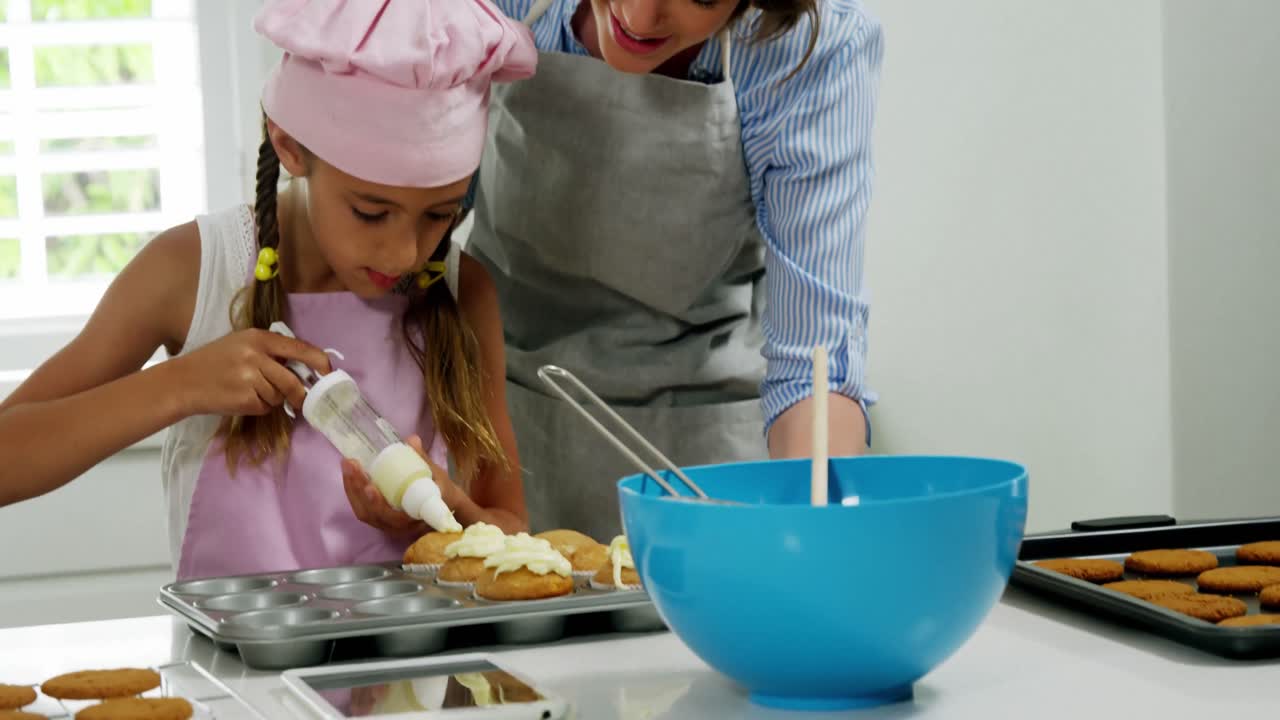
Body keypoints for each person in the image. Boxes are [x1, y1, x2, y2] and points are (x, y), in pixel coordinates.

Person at [0, 0, 537, 580]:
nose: (406, 253)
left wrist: (438, 514)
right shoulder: (194, 271)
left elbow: (507, 523)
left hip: (417, 672)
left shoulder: (462, 290)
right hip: (228, 673)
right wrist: (181, 385)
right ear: (289, 147)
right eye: (371, 212)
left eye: (439, 215)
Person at [465, 0, 884, 540]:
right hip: (497, 435)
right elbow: (408, 234)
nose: (638, 19)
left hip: (702, 466)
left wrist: (816, 536)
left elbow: (813, 368)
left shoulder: (808, 51)